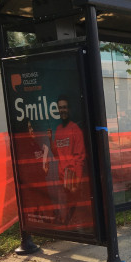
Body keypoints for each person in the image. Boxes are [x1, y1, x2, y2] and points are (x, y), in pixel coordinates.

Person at [49, 95, 88, 225]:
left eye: (64, 107)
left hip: (72, 176)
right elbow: (56, 155)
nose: (62, 110)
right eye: (60, 108)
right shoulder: (59, 129)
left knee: (73, 208)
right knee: (65, 206)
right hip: (62, 176)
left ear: (69, 109)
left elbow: (80, 156)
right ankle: (66, 222)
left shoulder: (75, 130)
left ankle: (70, 224)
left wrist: (76, 179)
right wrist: (50, 140)